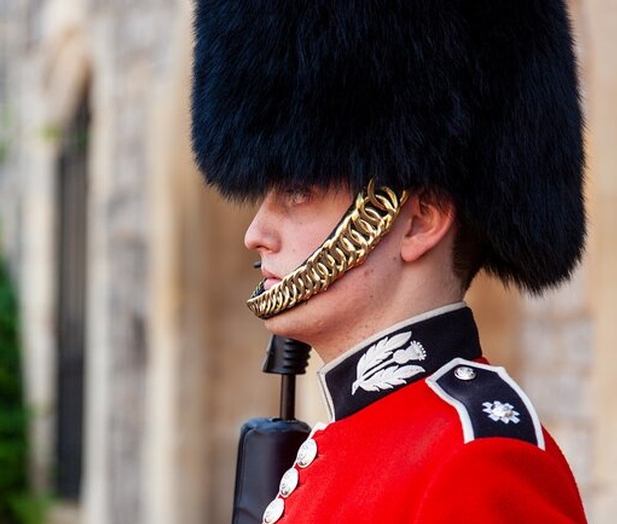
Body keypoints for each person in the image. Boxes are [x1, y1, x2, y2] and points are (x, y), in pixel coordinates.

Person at [191, 0, 588, 523]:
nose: (254, 234)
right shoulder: (347, 443)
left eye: (297, 191)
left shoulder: (481, 461)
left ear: (420, 220)